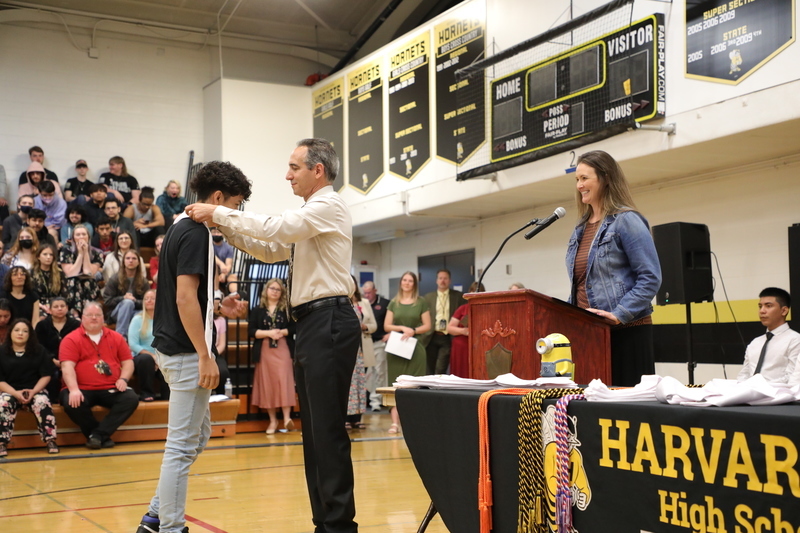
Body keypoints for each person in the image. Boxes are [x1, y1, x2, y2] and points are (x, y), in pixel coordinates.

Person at [186, 139, 362, 533]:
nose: (287, 175)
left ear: (318, 170)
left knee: (327, 429)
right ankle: (325, 523)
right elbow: (271, 250)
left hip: (329, 319)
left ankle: (339, 527)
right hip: (313, 322)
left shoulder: (327, 206)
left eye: (294, 167)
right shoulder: (312, 216)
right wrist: (224, 227)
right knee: (313, 431)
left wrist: (219, 212)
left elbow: (277, 228)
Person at [134, 160, 249, 533]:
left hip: (177, 349)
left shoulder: (178, 228)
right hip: (186, 353)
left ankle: (155, 515)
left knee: (196, 438)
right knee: (181, 448)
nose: (235, 213)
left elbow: (188, 296)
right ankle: (170, 526)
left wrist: (218, 306)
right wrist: (205, 354)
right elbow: (184, 298)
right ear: (217, 198)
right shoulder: (197, 233)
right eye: (235, 204)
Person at [566, 150, 662, 387]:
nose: (579, 185)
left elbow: (650, 277)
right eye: (577, 179)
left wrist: (619, 314)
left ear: (605, 178)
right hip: (590, 335)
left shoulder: (627, 220)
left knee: (624, 403)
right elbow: (581, 284)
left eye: (585, 178)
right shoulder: (580, 229)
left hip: (627, 333)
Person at [59, 301, 138, 448]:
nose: (94, 318)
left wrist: (123, 379)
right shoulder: (70, 339)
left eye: (97, 315)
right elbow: (67, 366)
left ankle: (96, 435)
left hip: (110, 387)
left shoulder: (116, 337)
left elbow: (128, 362)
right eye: (90, 315)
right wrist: (74, 389)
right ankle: (100, 436)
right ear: (82, 318)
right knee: (71, 402)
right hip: (82, 388)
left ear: (103, 318)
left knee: (131, 398)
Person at [0, 318, 58, 457]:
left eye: (25, 331)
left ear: (30, 334)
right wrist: (15, 393)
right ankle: (1, 442)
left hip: (35, 389)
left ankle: (50, 440)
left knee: (42, 402)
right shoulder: (1, 351)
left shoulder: (39, 350)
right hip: (10, 390)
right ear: (10, 332)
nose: (20, 333)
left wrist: (33, 391)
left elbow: (46, 375)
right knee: (3, 403)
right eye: (17, 330)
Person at [384, 271, 431, 434]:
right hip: (396, 347)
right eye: (404, 280)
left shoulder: (421, 302)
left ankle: (414, 421)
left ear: (414, 284)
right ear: (401, 282)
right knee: (395, 384)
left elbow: (427, 325)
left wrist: (413, 330)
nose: (407, 283)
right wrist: (401, 328)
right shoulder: (394, 303)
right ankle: (395, 423)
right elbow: (387, 325)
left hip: (415, 347)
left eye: (410, 281)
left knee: (414, 385)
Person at [249, 278, 295, 435]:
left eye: (278, 289)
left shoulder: (286, 309)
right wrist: (269, 333)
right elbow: (251, 331)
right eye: (272, 288)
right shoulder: (257, 310)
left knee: (284, 380)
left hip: (282, 347)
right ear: (266, 290)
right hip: (265, 349)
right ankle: (273, 420)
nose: (275, 291)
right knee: (268, 384)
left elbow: (294, 328)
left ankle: (287, 418)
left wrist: (281, 332)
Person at [737, 288, 800, 383]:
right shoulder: (755, 342)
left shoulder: (795, 340)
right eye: (760, 306)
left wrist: (761, 387)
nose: (762, 311)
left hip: (778, 391)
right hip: (749, 391)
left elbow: (793, 377)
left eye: (768, 306)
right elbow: (744, 373)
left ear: (784, 311)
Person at [35, 297, 80, 401]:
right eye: (56, 307)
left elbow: (79, 345)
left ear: (67, 308)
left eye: (62, 306)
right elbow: (39, 346)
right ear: (50, 310)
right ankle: (53, 401)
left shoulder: (76, 325)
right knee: (52, 375)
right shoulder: (42, 325)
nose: (60, 309)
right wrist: (53, 360)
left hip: (72, 361)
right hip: (48, 360)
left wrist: (67, 362)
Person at [422, 269, 466, 375]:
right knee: (429, 368)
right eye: (440, 278)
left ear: (449, 281)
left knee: (441, 368)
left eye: (445, 278)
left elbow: (465, 314)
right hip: (431, 336)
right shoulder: (428, 297)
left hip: (447, 337)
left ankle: (438, 384)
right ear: (436, 280)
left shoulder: (458, 297)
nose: (442, 281)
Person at [129, 289, 168, 401]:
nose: (149, 301)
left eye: (152, 298)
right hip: (142, 358)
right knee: (146, 359)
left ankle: (168, 397)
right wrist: (153, 357)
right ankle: (146, 394)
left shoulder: (165, 320)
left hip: (161, 357)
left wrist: (160, 358)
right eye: (146, 299)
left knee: (169, 362)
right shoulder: (137, 319)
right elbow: (133, 344)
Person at [347, 278, 375, 430]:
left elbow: (374, 325)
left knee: (360, 384)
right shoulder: (340, 304)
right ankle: (346, 417)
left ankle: (358, 418)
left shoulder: (363, 303)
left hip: (361, 349)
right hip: (346, 348)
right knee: (347, 385)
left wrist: (364, 326)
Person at [59, 224, 103, 317]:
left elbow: (88, 272)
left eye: (83, 234)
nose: (81, 237)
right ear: (73, 238)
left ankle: (85, 312)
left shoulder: (97, 252)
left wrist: (85, 252)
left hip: (90, 285)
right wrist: (80, 254)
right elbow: (71, 273)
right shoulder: (65, 251)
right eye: (78, 235)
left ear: (88, 237)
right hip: (70, 285)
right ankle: (75, 313)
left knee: (87, 280)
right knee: (74, 280)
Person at [103, 250, 149, 338]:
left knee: (141, 315)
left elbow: (146, 302)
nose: (131, 261)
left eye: (134, 258)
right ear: (123, 261)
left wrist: (134, 301)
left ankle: (137, 341)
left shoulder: (143, 281)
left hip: (135, 312)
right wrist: (123, 298)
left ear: (138, 262)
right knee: (128, 303)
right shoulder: (114, 279)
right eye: (128, 258)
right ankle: (121, 337)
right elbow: (107, 301)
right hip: (117, 312)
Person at [362, 281, 390, 411]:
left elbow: (392, 320)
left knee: (379, 372)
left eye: (369, 292)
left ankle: (376, 401)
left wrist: (390, 333)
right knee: (367, 374)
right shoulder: (362, 304)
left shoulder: (385, 303)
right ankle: (367, 399)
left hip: (380, 342)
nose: (367, 295)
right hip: (365, 343)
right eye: (365, 293)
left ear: (375, 290)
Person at [447, 281, 484, 378]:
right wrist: (463, 331)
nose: (475, 294)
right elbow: (449, 328)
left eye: (478, 292)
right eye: (473, 291)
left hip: (480, 346)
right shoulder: (462, 309)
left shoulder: (486, 309)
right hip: (461, 347)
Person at [31, 244, 66, 317]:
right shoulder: (31, 273)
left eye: (51, 255)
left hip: (57, 305)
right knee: (42, 318)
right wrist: (41, 306)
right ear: (38, 257)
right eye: (45, 254)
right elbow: (29, 295)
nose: (48, 257)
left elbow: (63, 293)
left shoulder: (59, 273)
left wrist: (56, 306)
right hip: (38, 305)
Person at [211, 227, 238, 294]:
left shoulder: (228, 247)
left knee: (233, 277)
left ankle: (234, 295)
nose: (216, 234)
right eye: (214, 232)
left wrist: (224, 274)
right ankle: (216, 291)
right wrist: (221, 264)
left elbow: (229, 264)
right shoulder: (209, 245)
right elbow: (212, 257)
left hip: (224, 272)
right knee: (214, 266)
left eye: (218, 232)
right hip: (211, 272)